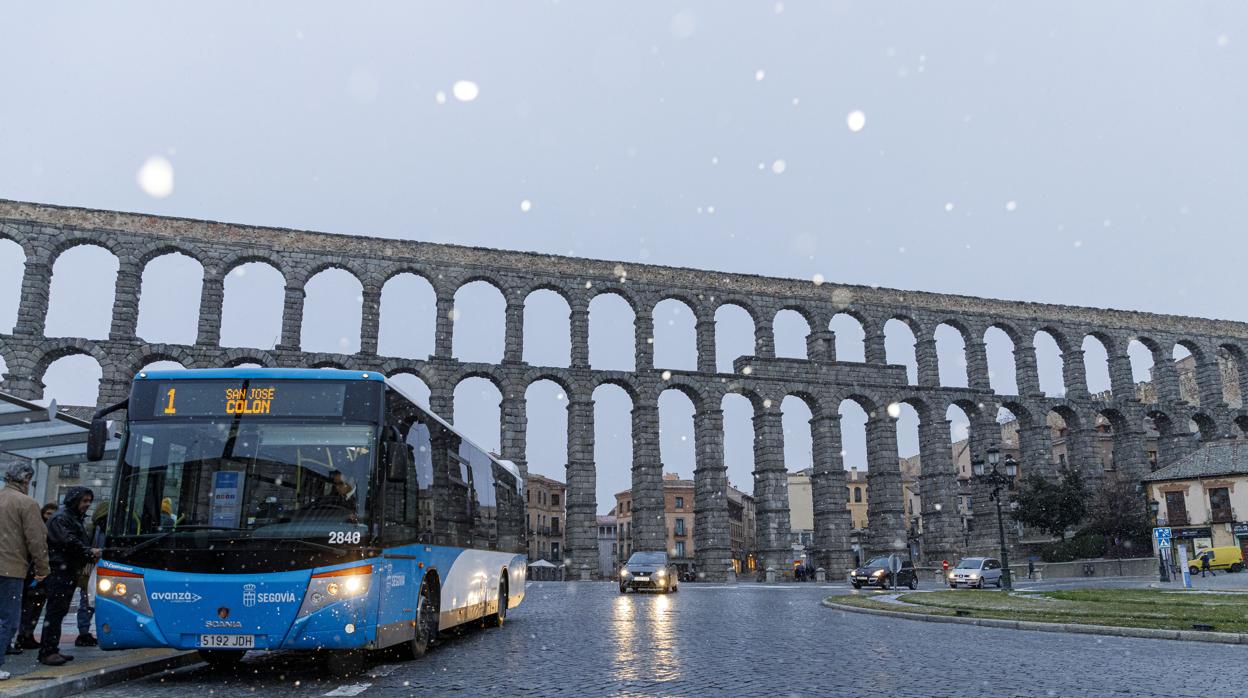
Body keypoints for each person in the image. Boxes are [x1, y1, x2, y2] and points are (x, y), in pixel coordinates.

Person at [0, 463, 50, 680]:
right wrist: (42, 568)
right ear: (26, 479)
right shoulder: (26, 503)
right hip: (10, 569)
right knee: (7, 619)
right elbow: (36, 539)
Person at [39, 486, 99, 666]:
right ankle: (48, 651)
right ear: (75, 500)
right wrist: (89, 552)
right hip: (60, 569)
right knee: (56, 611)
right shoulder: (62, 518)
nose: (87, 505)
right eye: (84, 501)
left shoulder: (69, 517)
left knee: (59, 611)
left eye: (89, 501)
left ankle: (51, 649)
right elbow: (69, 542)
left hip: (66, 568)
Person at [10, 503, 56, 653]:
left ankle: (27, 635)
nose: (50, 517)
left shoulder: (52, 529)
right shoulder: (38, 529)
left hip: (41, 572)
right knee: (28, 605)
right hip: (32, 573)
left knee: (36, 605)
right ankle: (22, 636)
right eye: (48, 513)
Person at [74, 500, 109, 648]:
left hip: (100, 568)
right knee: (87, 601)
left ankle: (85, 632)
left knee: (88, 602)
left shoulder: (93, 528)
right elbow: (83, 548)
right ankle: (84, 633)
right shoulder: (93, 529)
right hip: (92, 568)